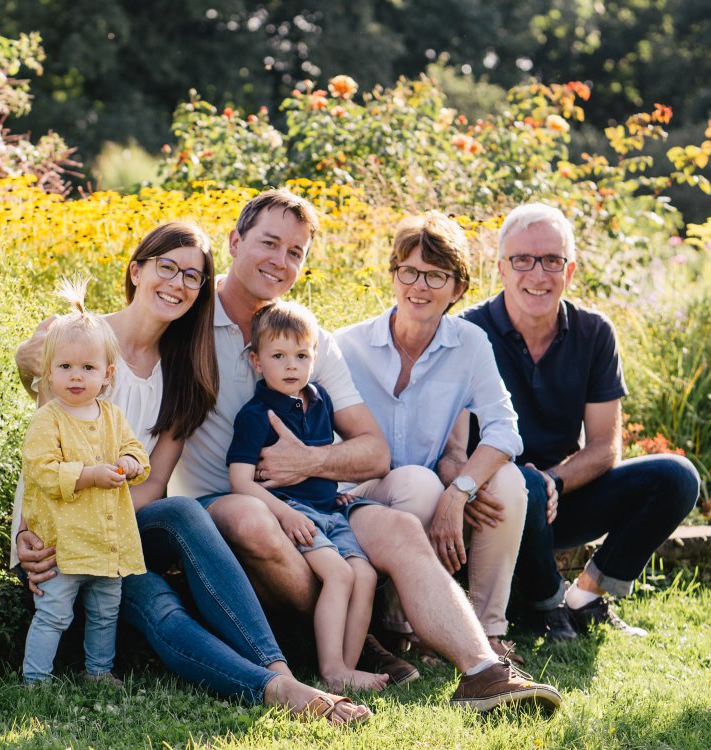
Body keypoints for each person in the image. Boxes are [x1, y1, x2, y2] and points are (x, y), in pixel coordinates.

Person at [168, 189, 562, 712]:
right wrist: (46, 345)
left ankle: (483, 672)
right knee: (252, 518)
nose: (280, 261)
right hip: (223, 498)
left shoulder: (309, 339)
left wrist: (307, 462)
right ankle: (353, 642)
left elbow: (374, 453)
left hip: (315, 502)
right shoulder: (187, 312)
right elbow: (114, 335)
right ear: (235, 241)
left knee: (398, 528)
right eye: (269, 243)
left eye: (295, 252)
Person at [12, 221, 371, 724]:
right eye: (167, 268)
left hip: (127, 525)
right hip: (62, 531)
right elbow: (42, 453)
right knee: (161, 607)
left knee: (179, 510)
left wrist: (112, 531)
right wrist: (34, 532)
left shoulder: (183, 370)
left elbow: (155, 483)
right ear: (136, 270)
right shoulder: (78, 341)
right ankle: (276, 689)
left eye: (194, 277)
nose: (178, 284)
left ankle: (280, 672)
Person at [459, 202, 700, 641]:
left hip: (562, 497)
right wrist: (469, 487)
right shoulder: (467, 333)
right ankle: (545, 606)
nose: (538, 274)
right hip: (492, 505)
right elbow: (444, 442)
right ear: (501, 269)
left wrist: (554, 480)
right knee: (521, 484)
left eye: (552, 260)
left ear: (569, 271)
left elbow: (606, 446)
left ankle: (586, 597)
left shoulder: (594, 333)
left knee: (677, 477)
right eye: (523, 260)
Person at [334, 211, 529, 663]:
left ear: (458, 288)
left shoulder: (470, 344)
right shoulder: (348, 345)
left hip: (427, 488)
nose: (419, 286)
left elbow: (504, 428)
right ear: (394, 274)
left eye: (435, 275)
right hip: (356, 493)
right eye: (409, 271)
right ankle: (403, 627)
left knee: (510, 484)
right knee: (420, 483)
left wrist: (460, 489)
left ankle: (484, 631)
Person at [228, 301, 387, 693]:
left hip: (328, 510)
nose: (291, 366)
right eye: (278, 356)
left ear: (314, 358)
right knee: (338, 574)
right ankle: (331, 668)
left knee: (364, 575)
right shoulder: (255, 414)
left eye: (301, 355)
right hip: (293, 511)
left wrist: (339, 494)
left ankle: (347, 669)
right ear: (257, 362)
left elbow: (323, 459)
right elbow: (240, 481)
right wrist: (285, 515)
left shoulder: (320, 401)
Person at [19, 279, 150, 685]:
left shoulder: (111, 416)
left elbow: (138, 454)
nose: (76, 377)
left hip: (107, 543)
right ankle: (36, 678)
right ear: (48, 371)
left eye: (88, 368)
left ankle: (98, 671)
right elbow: (40, 469)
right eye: (65, 367)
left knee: (106, 609)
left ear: (107, 375)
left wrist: (129, 464)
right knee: (55, 611)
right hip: (64, 543)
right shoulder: (49, 418)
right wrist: (90, 475)